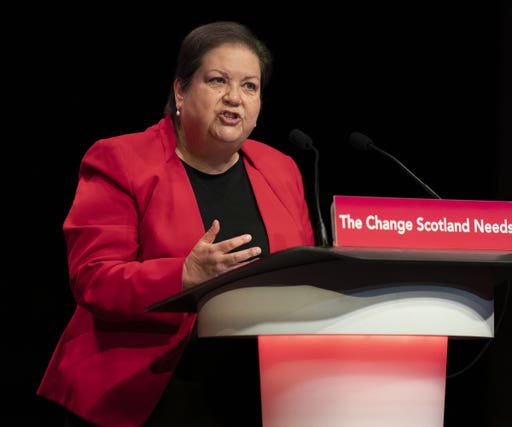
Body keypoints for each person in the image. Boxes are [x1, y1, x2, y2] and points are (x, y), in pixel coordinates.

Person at [37, 21, 316, 426]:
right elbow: (93, 279)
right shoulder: (120, 160)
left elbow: (300, 270)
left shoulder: (281, 168)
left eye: (250, 86)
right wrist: (182, 276)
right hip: (150, 386)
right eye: (218, 81)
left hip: (260, 384)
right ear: (180, 91)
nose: (234, 99)